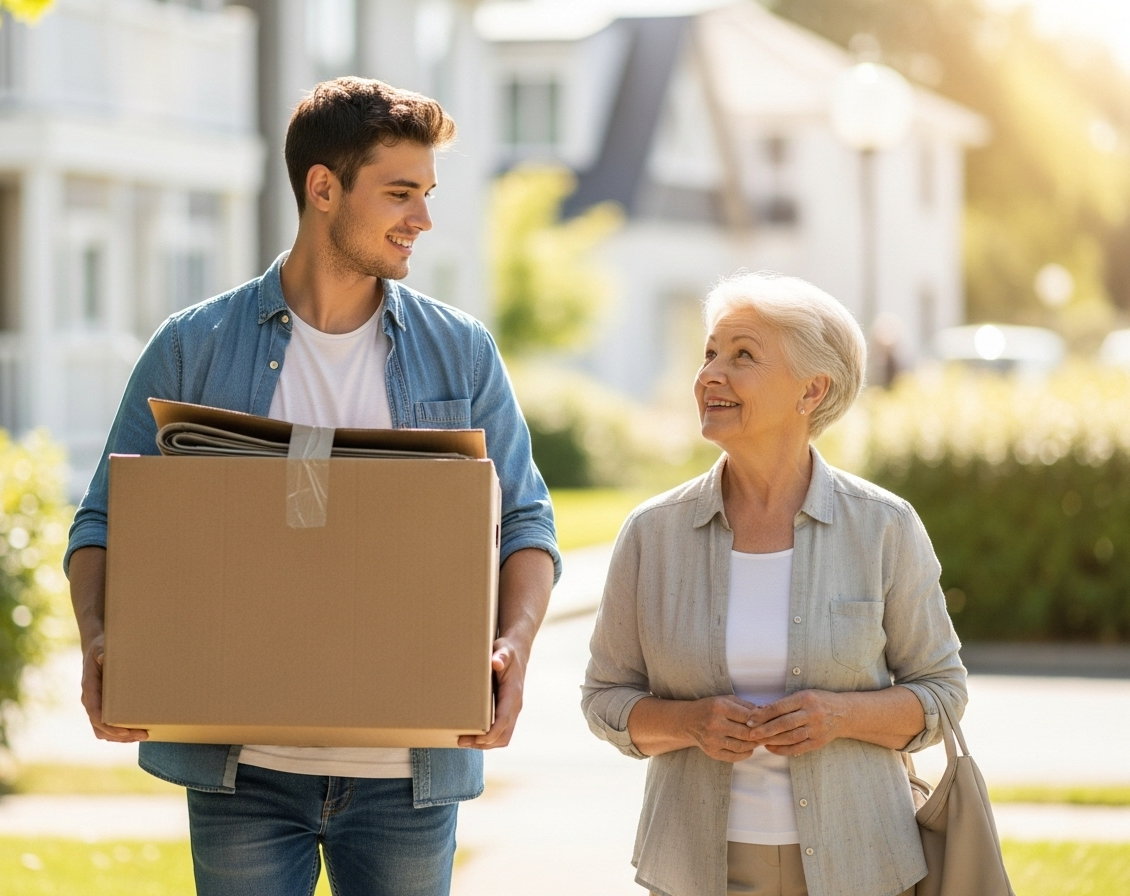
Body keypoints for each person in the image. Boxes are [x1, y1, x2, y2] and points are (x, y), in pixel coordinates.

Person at [66, 78, 559, 896]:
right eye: (401, 193)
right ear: (322, 188)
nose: (423, 220)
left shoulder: (461, 353)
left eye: (427, 194)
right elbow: (103, 521)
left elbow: (527, 521)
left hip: (408, 775)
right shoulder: (194, 346)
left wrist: (516, 644)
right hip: (243, 772)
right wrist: (97, 636)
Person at [581, 272, 966, 896]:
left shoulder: (883, 527)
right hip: (697, 869)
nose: (710, 374)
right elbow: (605, 699)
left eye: (743, 356)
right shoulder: (653, 533)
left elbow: (942, 694)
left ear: (812, 389)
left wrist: (840, 715)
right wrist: (691, 724)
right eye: (709, 353)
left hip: (861, 865)